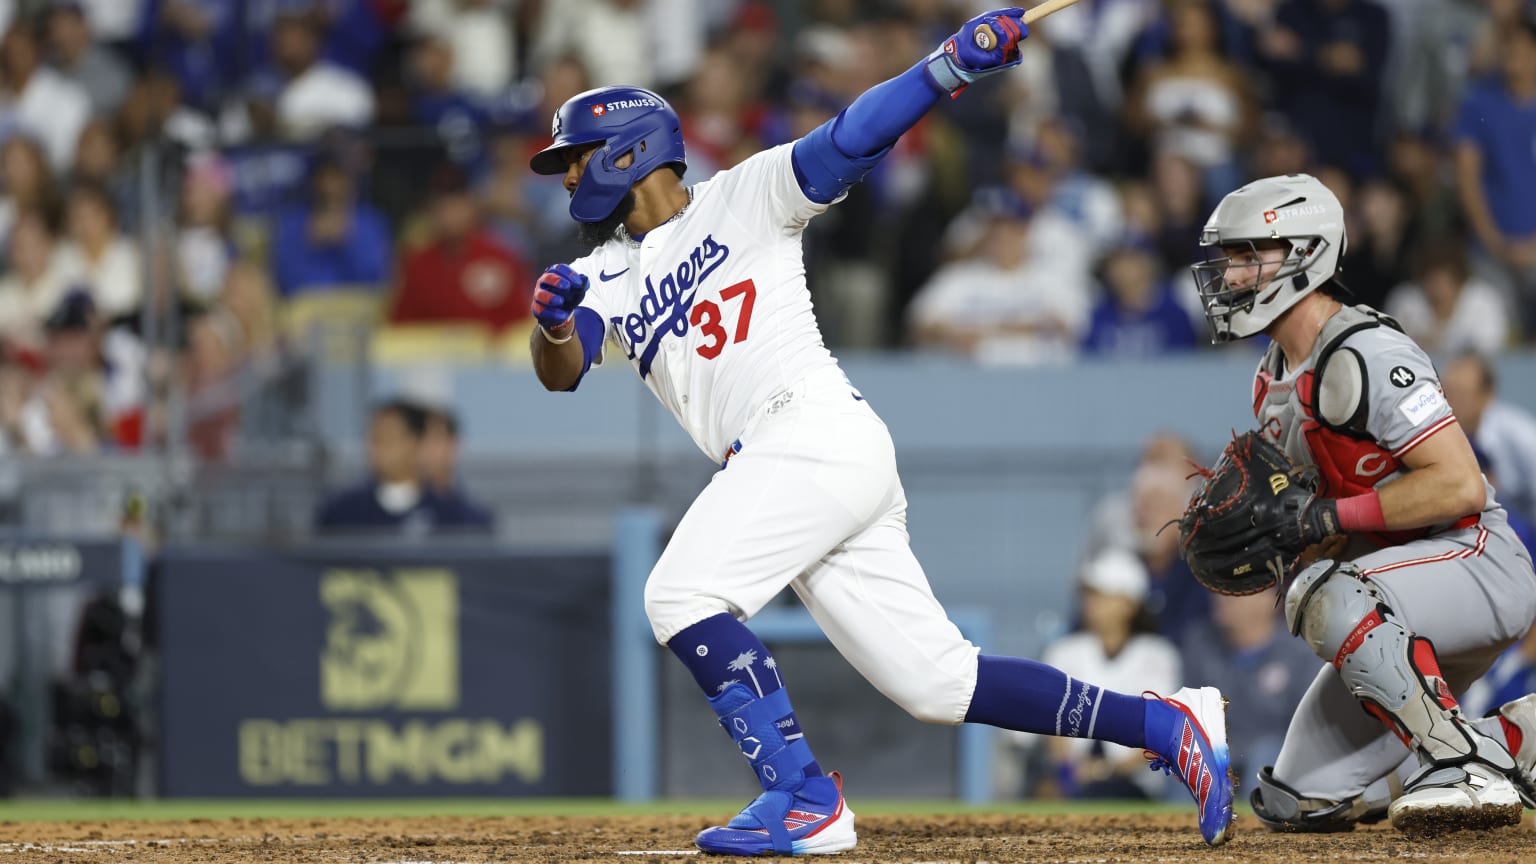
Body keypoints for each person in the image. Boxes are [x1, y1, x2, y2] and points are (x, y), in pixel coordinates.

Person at [526, 9, 1234, 856]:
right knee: (938, 681)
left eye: (572, 161)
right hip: (801, 462)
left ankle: (802, 795)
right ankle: (1169, 726)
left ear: (627, 151)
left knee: (679, 594)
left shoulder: (741, 196)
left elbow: (847, 139)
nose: (565, 181)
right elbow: (561, 370)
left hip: (810, 431)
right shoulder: (599, 271)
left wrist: (945, 69)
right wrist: (556, 326)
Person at [1188, 172, 1536, 835]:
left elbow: (1459, 485)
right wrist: (1283, 543)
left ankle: (1460, 765)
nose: (1230, 276)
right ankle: (1515, 741)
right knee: (1299, 799)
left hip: (1477, 560)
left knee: (1321, 593)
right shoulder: (1271, 379)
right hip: (1397, 593)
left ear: (1304, 255)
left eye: (1245, 256)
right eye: (1229, 258)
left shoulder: (1365, 350)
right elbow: (1324, 530)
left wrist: (1324, 522)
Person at [1031, 549, 1180, 800]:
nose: (1091, 602)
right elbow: (1052, 725)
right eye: (1089, 595)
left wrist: (1104, 771)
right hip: (1072, 777)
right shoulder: (1064, 650)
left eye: (1102, 595)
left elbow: (1159, 733)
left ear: (1129, 604)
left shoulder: (1158, 655)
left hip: (1133, 782)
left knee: (1102, 793)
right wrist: (1071, 771)